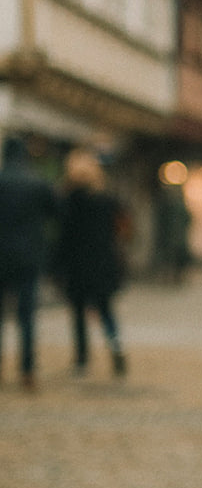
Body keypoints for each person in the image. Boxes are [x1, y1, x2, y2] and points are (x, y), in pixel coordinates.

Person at [54, 148, 128, 377]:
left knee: (78, 313)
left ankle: (82, 360)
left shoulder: (69, 201)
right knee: (106, 310)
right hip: (103, 262)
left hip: (78, 265)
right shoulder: (106, 200)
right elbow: (121, 229)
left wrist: (56, 265)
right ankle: (116, 346)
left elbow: (64, 237)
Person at [0, 134, 57, 390]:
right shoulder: (38, 183)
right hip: (29, 256)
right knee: (26, 316)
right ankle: (27, 370)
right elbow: (56, 214)